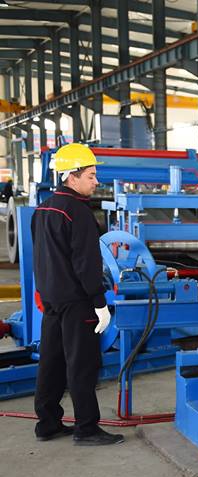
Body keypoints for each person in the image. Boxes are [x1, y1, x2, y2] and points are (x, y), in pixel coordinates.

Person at [33, 143, 122, 446]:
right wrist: (99, 302)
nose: (96, 182)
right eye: (91, 175)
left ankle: (47, 424)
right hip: (76, 301)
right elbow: (86, 264)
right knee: (82, 364)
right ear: (72, 176)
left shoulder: (43, 209)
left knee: (51, 362)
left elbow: (41, 257)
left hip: (51, 300)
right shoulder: (79, 213)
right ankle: (86, 428)